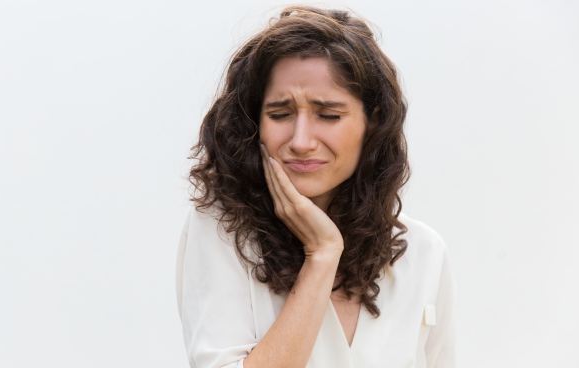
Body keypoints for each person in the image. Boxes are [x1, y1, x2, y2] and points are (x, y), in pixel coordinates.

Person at [176, 5, 456, 368]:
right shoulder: (221, 232)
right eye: (280, 114)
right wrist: (322, 254)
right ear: (252, 123)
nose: (301, 141)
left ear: (373, 123)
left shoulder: (424, 253)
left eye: (328, 115)